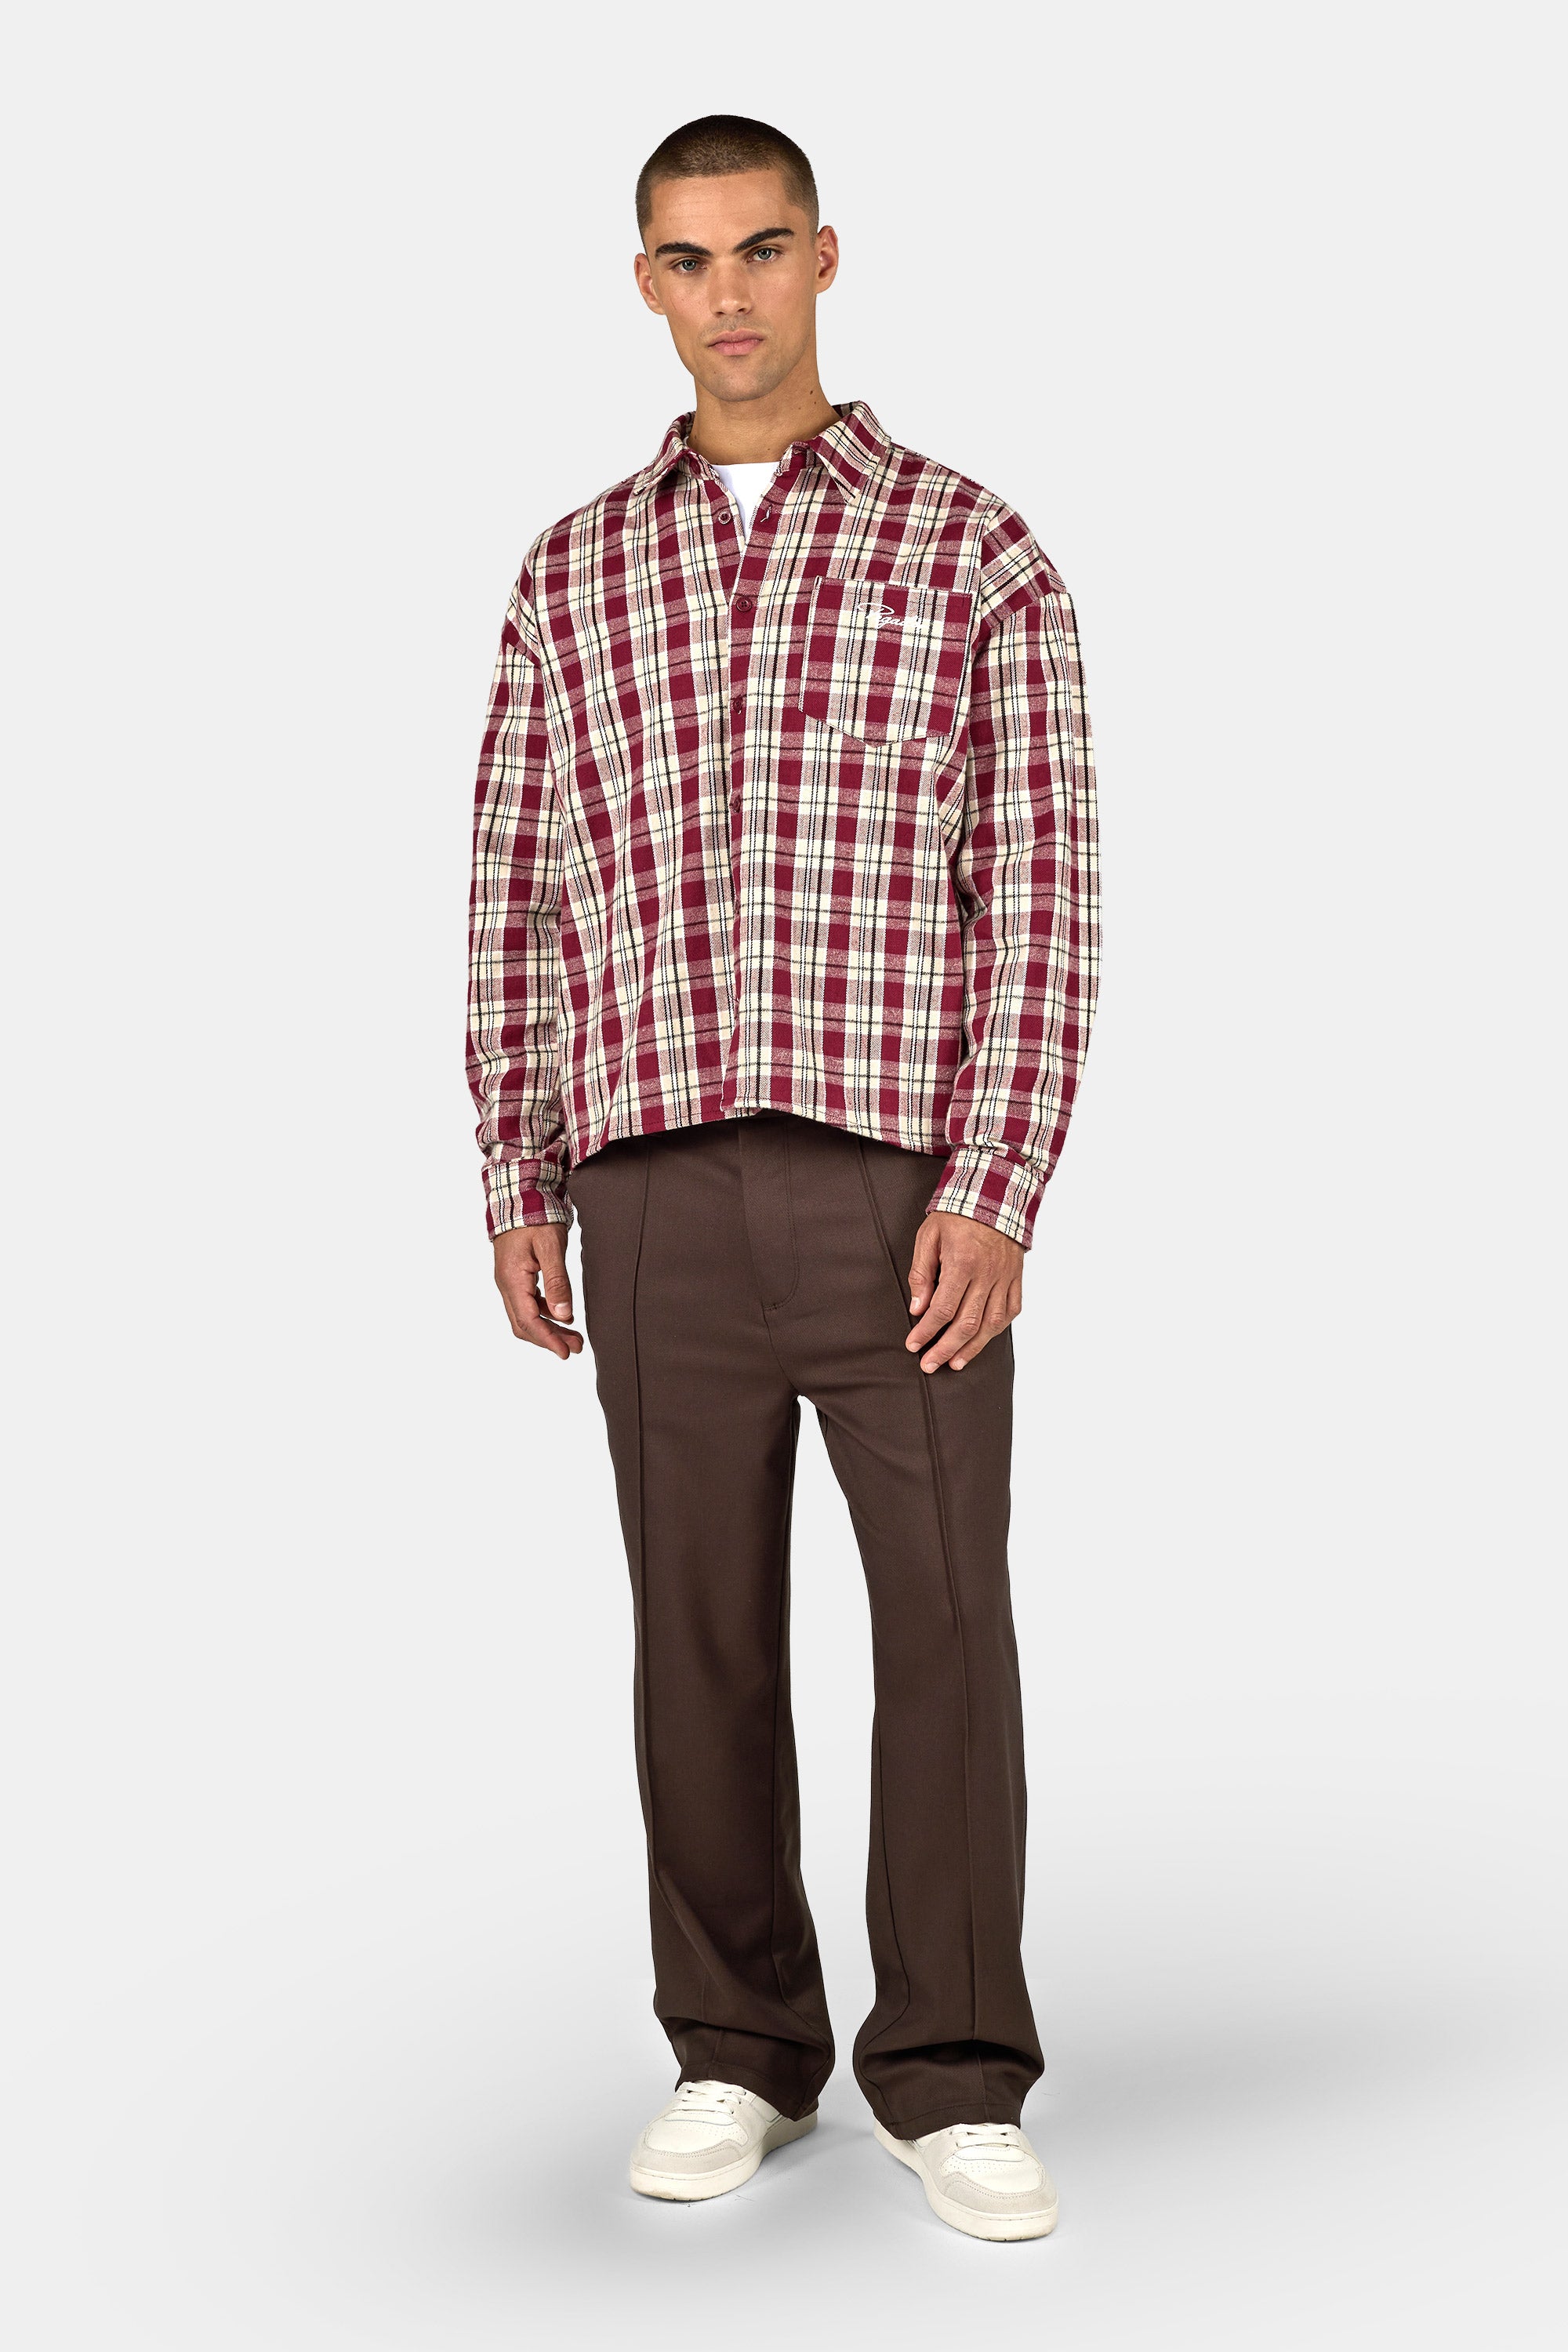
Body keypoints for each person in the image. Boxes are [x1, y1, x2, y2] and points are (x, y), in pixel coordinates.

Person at [466, 114, 1098, 2242]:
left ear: (826, 257)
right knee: (699, 1635)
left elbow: (1043, 890)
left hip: (898, 1188)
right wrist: (516, 1166)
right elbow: (516, 885)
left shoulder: (970, 549)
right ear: (643, 283)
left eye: (759, 249)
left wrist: (997, 1181)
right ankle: (738, 2046)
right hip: (648, 1186)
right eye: (685, 258)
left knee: (945, 1625)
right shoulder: (570, 573)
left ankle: (954, 2066)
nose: (725, 293)